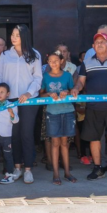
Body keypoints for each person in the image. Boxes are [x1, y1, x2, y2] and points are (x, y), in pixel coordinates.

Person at [71, 32, 107, 182]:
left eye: (103, 42)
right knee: (95, 138)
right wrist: (76, 88)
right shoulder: (87, 62)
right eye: (97, 42)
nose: (99, 44)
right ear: (93, 46)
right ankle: (98, 168)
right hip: (94, 107)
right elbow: (81, 82)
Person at [0, 24, 43, 183]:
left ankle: (28, 169)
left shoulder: (35, 55)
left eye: (17, 35)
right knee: (13, 135)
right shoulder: (6, 55)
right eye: (12, 34)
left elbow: (38, 78)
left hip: (29, 100)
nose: (13, 37)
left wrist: (28, 93)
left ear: (24, 37)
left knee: (26, 134)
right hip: (10, 101)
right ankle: (17, 167)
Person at [41, 50, 75, 184]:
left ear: (61, 61)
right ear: (48, 63)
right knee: (55, 143)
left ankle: (67, 172)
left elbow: (74, 91)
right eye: (50, 61)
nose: (53, 63)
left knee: (65, 143)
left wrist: (68, 92)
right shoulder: (45, 76)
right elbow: (41, 94)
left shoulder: (67, 75)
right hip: (52, 112)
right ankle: (56, 174)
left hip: (68, 111)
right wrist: (49, 94)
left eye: (56, 60)